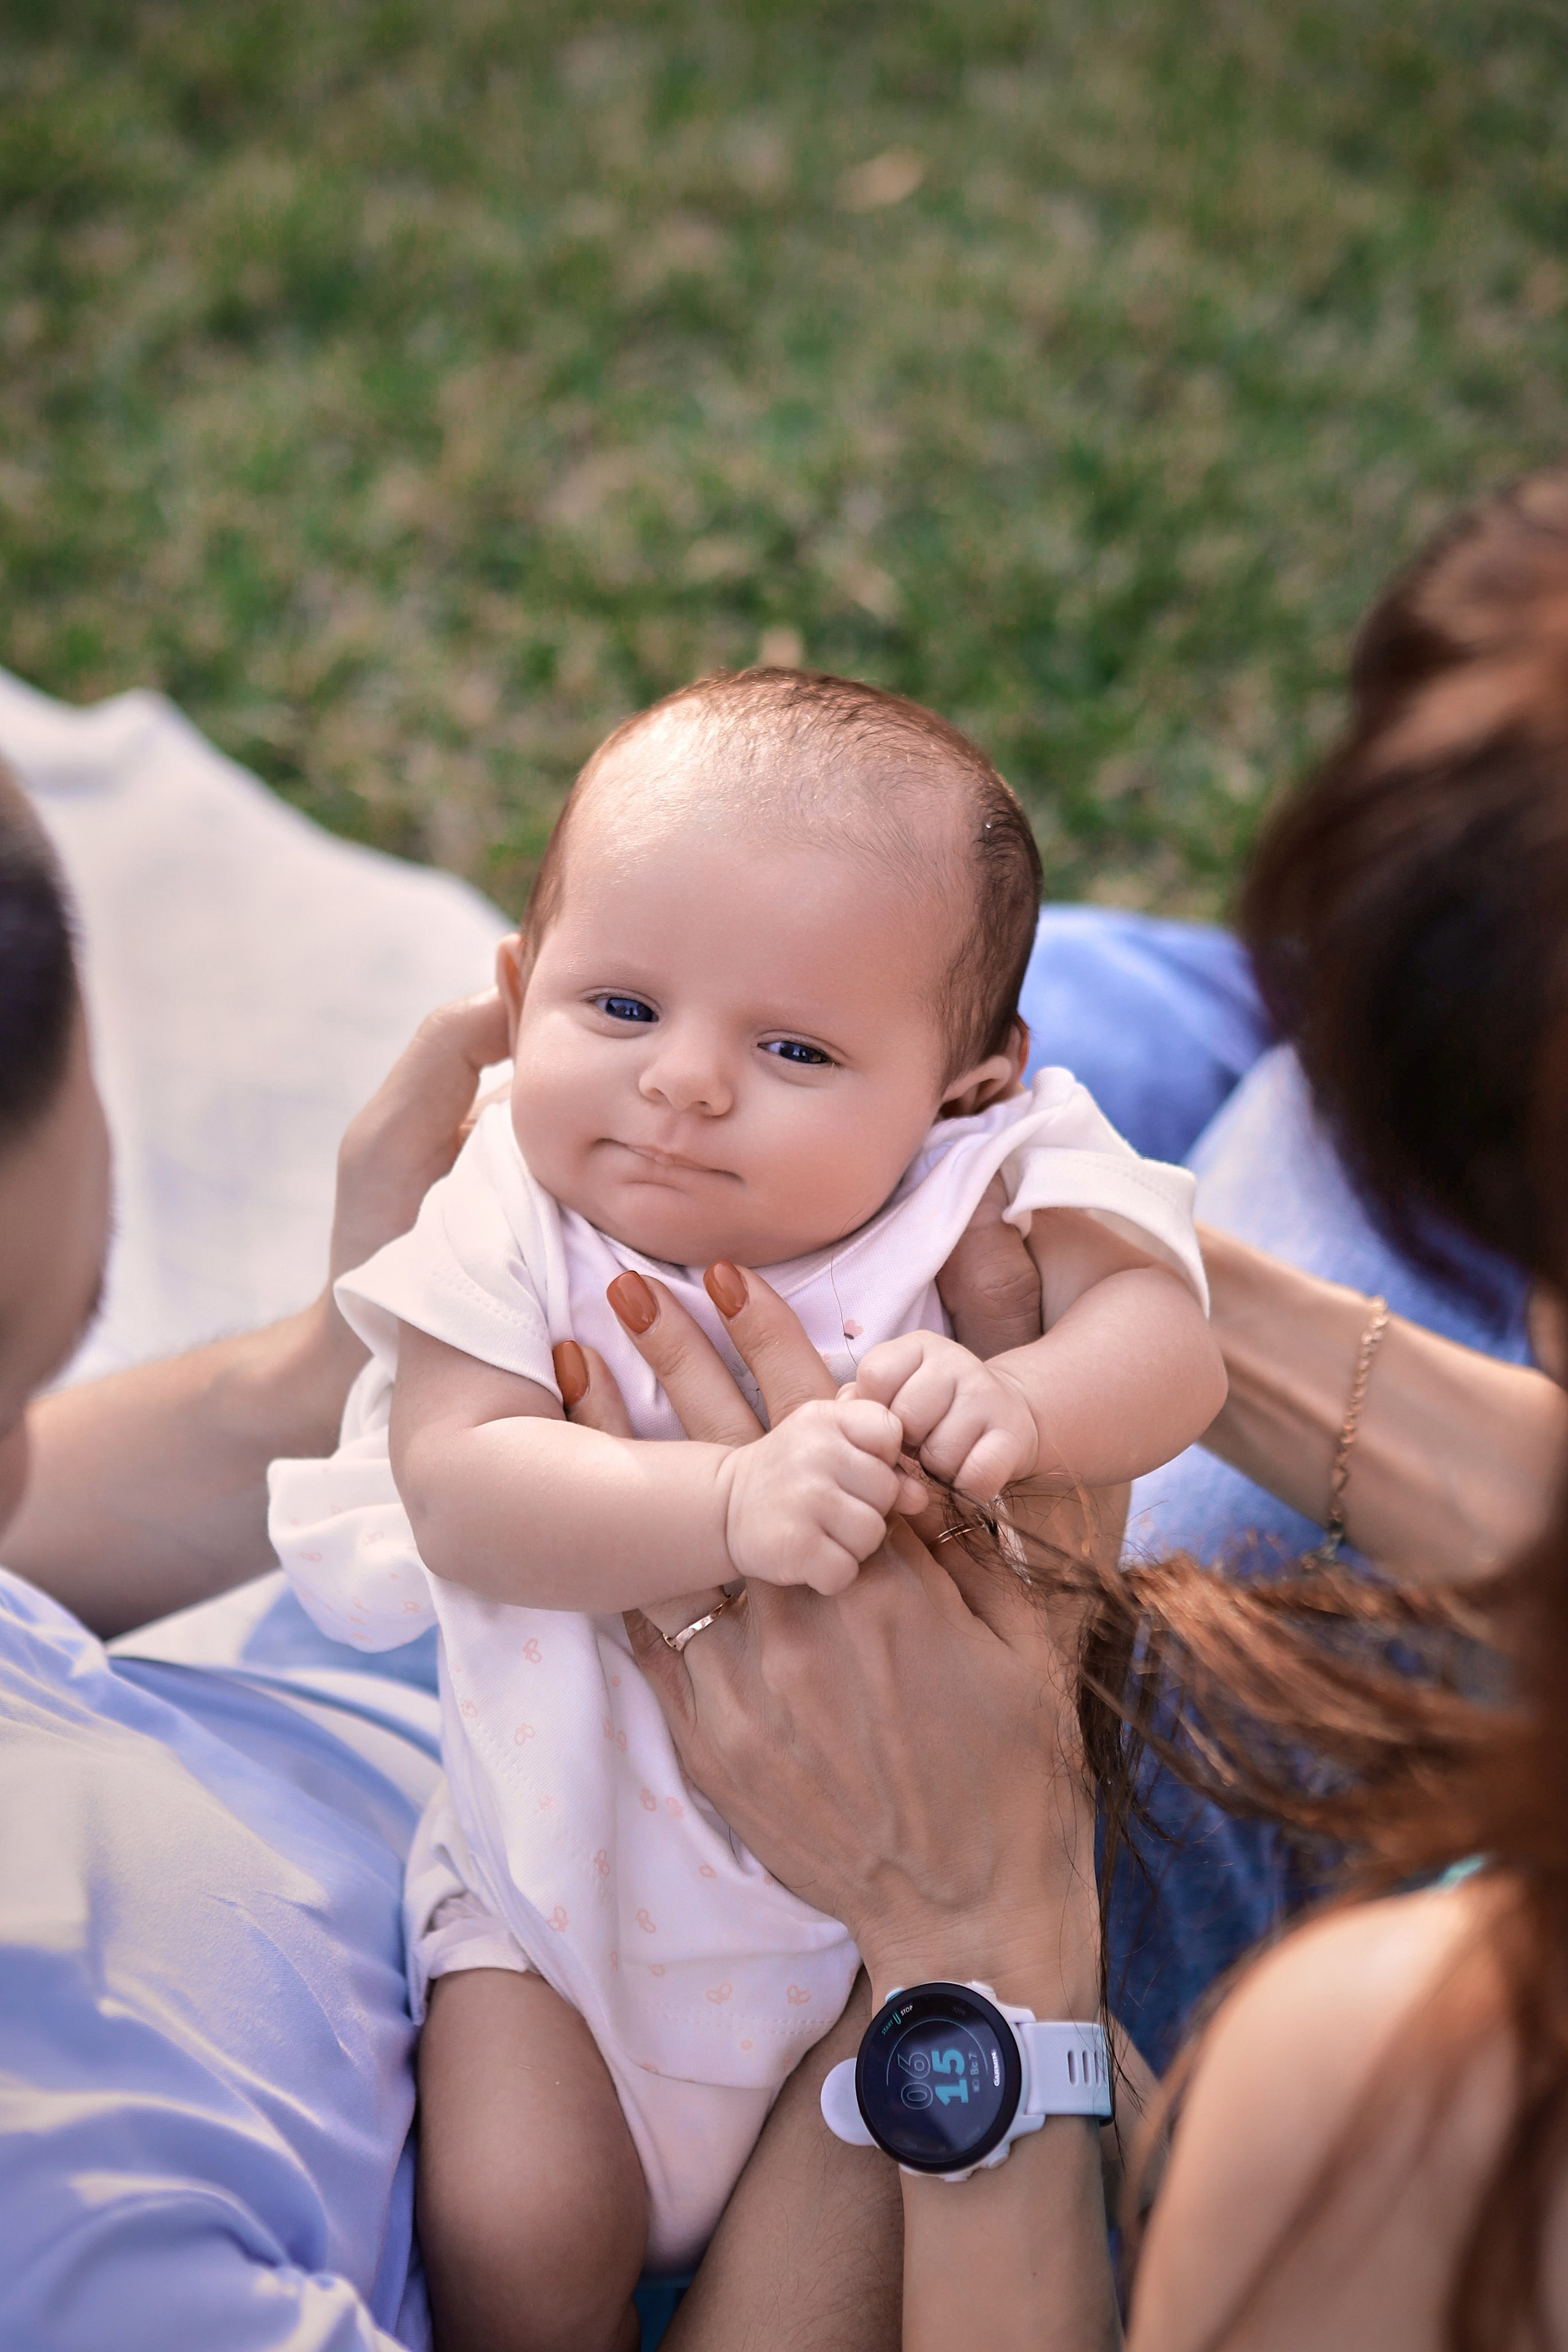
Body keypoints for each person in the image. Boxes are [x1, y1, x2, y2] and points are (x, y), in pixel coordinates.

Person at [591, 466, 1568, 2350]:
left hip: (1013, 2049)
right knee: (1252, 1115)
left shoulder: (1407, 2091)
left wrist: (974, 1941)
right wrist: (1144, 1274)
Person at [267, 669, 1223, 2348]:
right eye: (620, 1007)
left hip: (874, 1924)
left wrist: (1023, 1394)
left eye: (794, 1047)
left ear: (972, 1079)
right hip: (554, 1897)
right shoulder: (511, 1196)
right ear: (515, 987)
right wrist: (729, 1499)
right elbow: (465, 1490)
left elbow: (1172, 1352)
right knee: (517, 2225)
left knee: (852, 2186)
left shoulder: (983, 1180)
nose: (685, 1084)